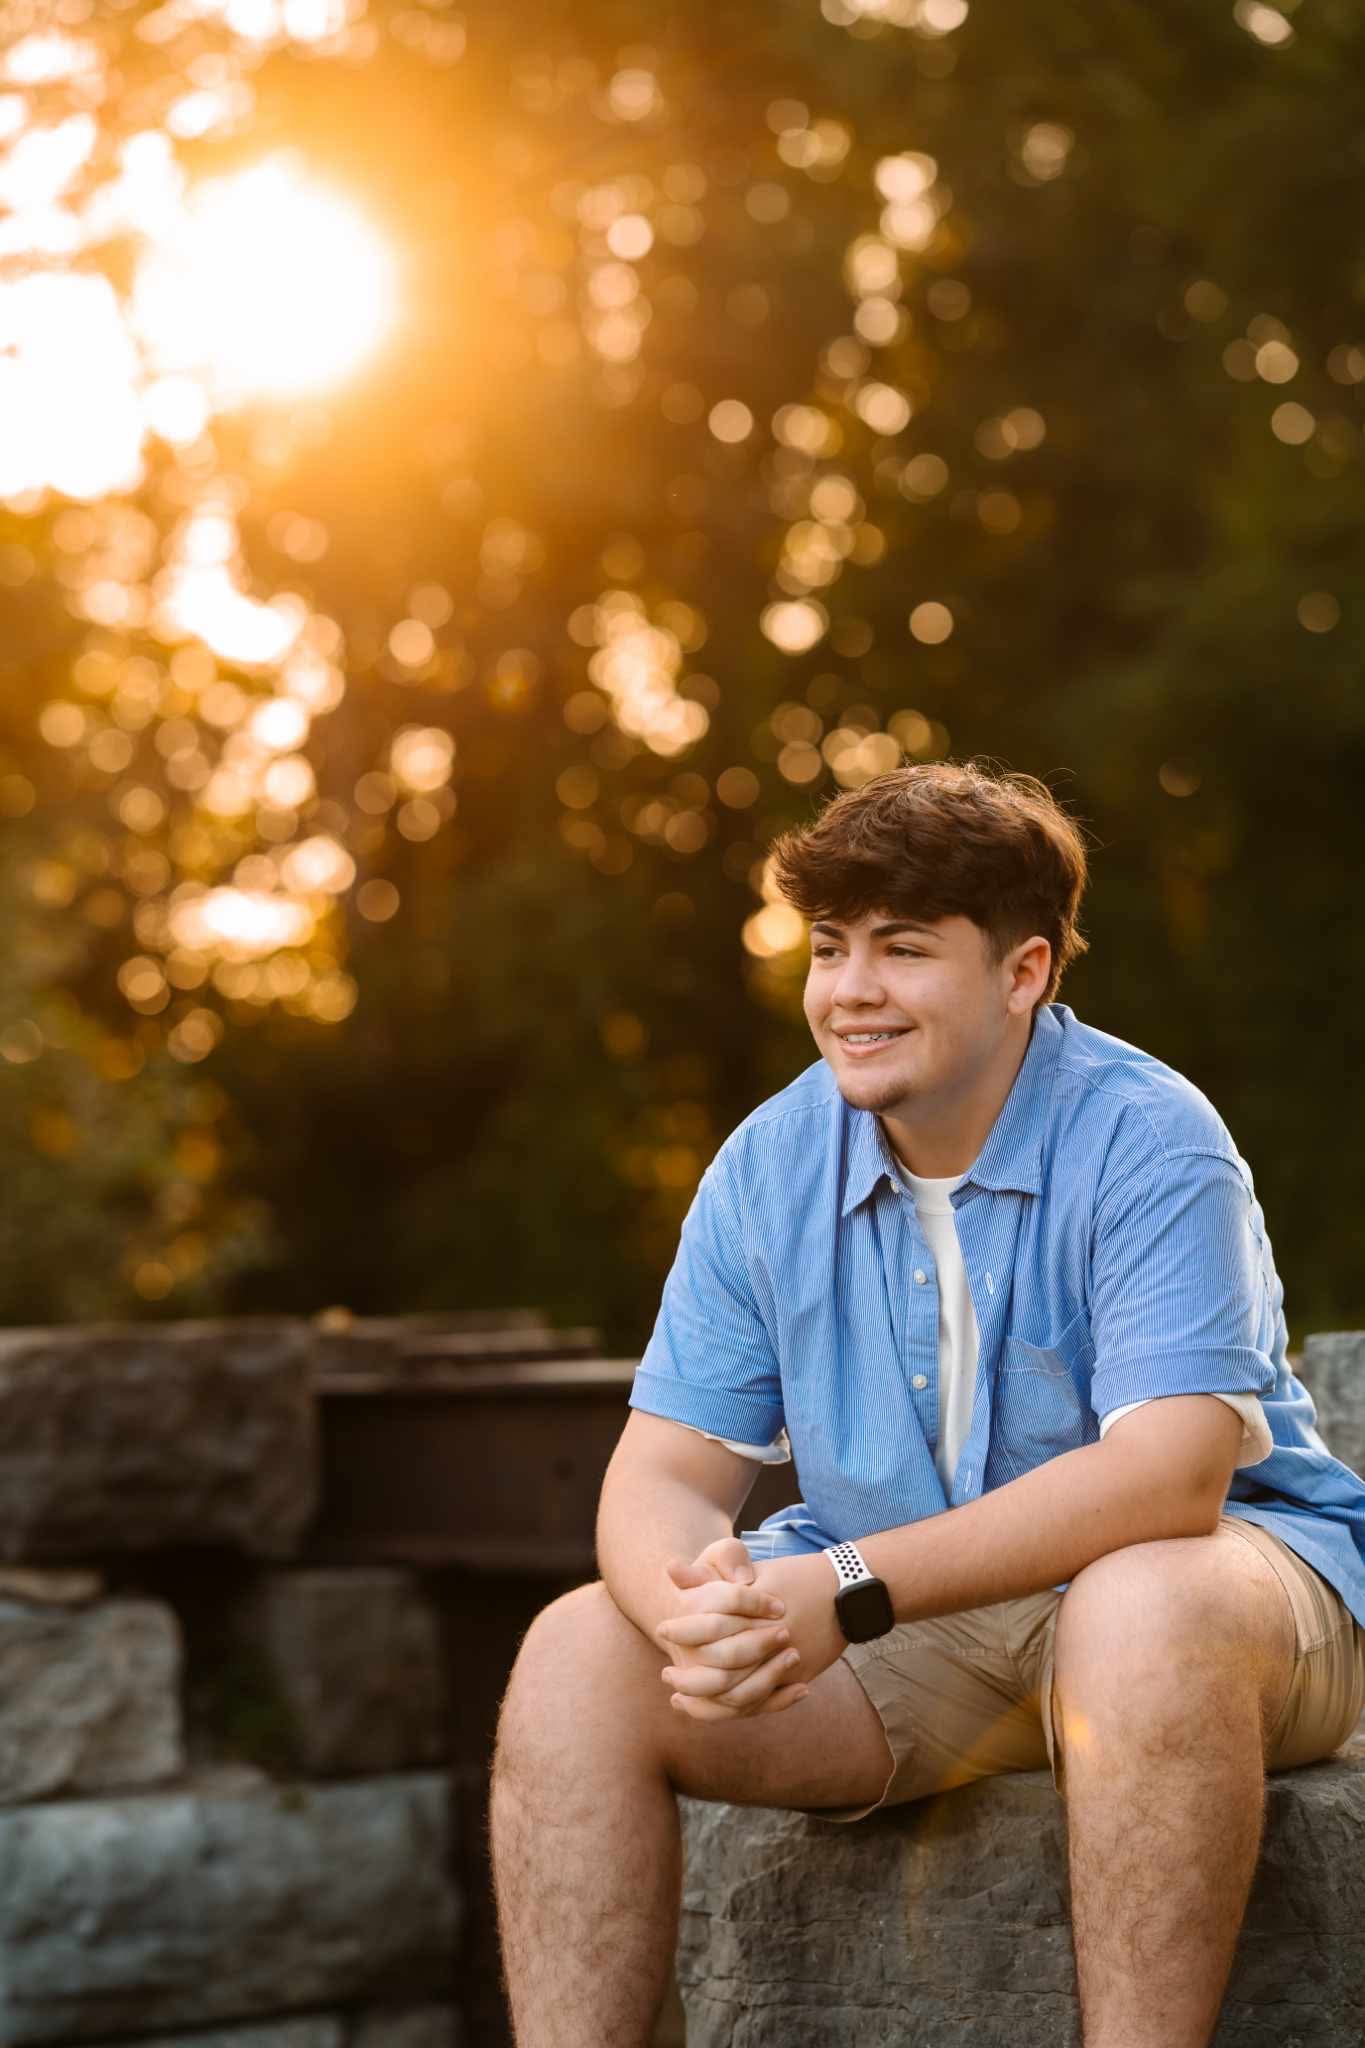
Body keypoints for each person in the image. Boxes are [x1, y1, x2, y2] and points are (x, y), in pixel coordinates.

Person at [491, 759, 1365, 2048]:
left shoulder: (1149, 1135)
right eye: (831, 947)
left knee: (1139, 1603)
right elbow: (663, 1478)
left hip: (1220, 1609)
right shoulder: (767, 1165)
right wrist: (701, 1615)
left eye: (902, 949)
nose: (849, 992)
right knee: (577, 1652)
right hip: (924, 1634)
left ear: (1024, 973)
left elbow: (1169, 1481)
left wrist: (844, 1584)